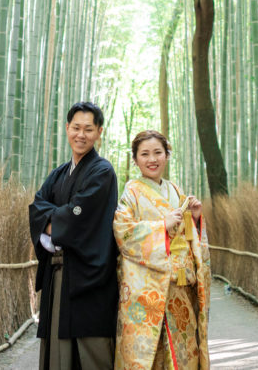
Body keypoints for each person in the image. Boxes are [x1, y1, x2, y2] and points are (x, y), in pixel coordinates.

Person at [29, 101, 119, 370]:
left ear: (99, 132)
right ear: (67, 128)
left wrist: (53, 221)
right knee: (57, 353)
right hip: (58, 277)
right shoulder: (58, 174)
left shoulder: (103, 172)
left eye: (88, 129)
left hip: (89, 279)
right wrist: (55, 220)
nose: (81, 135)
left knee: (92, 352)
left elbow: (74, 217)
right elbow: (36, 208)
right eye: (76, 128)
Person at [113, 130, 210, 370]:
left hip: (180, 288)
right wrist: (160, 227)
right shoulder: (131, 192)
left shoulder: (176, 191)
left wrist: (195, 219)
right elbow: (123, 232)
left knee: (182, 352)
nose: (152, 159)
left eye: (158, 152)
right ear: (135, 160)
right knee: (149, 356)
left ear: (167, 155)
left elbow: (188, 238)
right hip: (147, 289)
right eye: (144, 154)